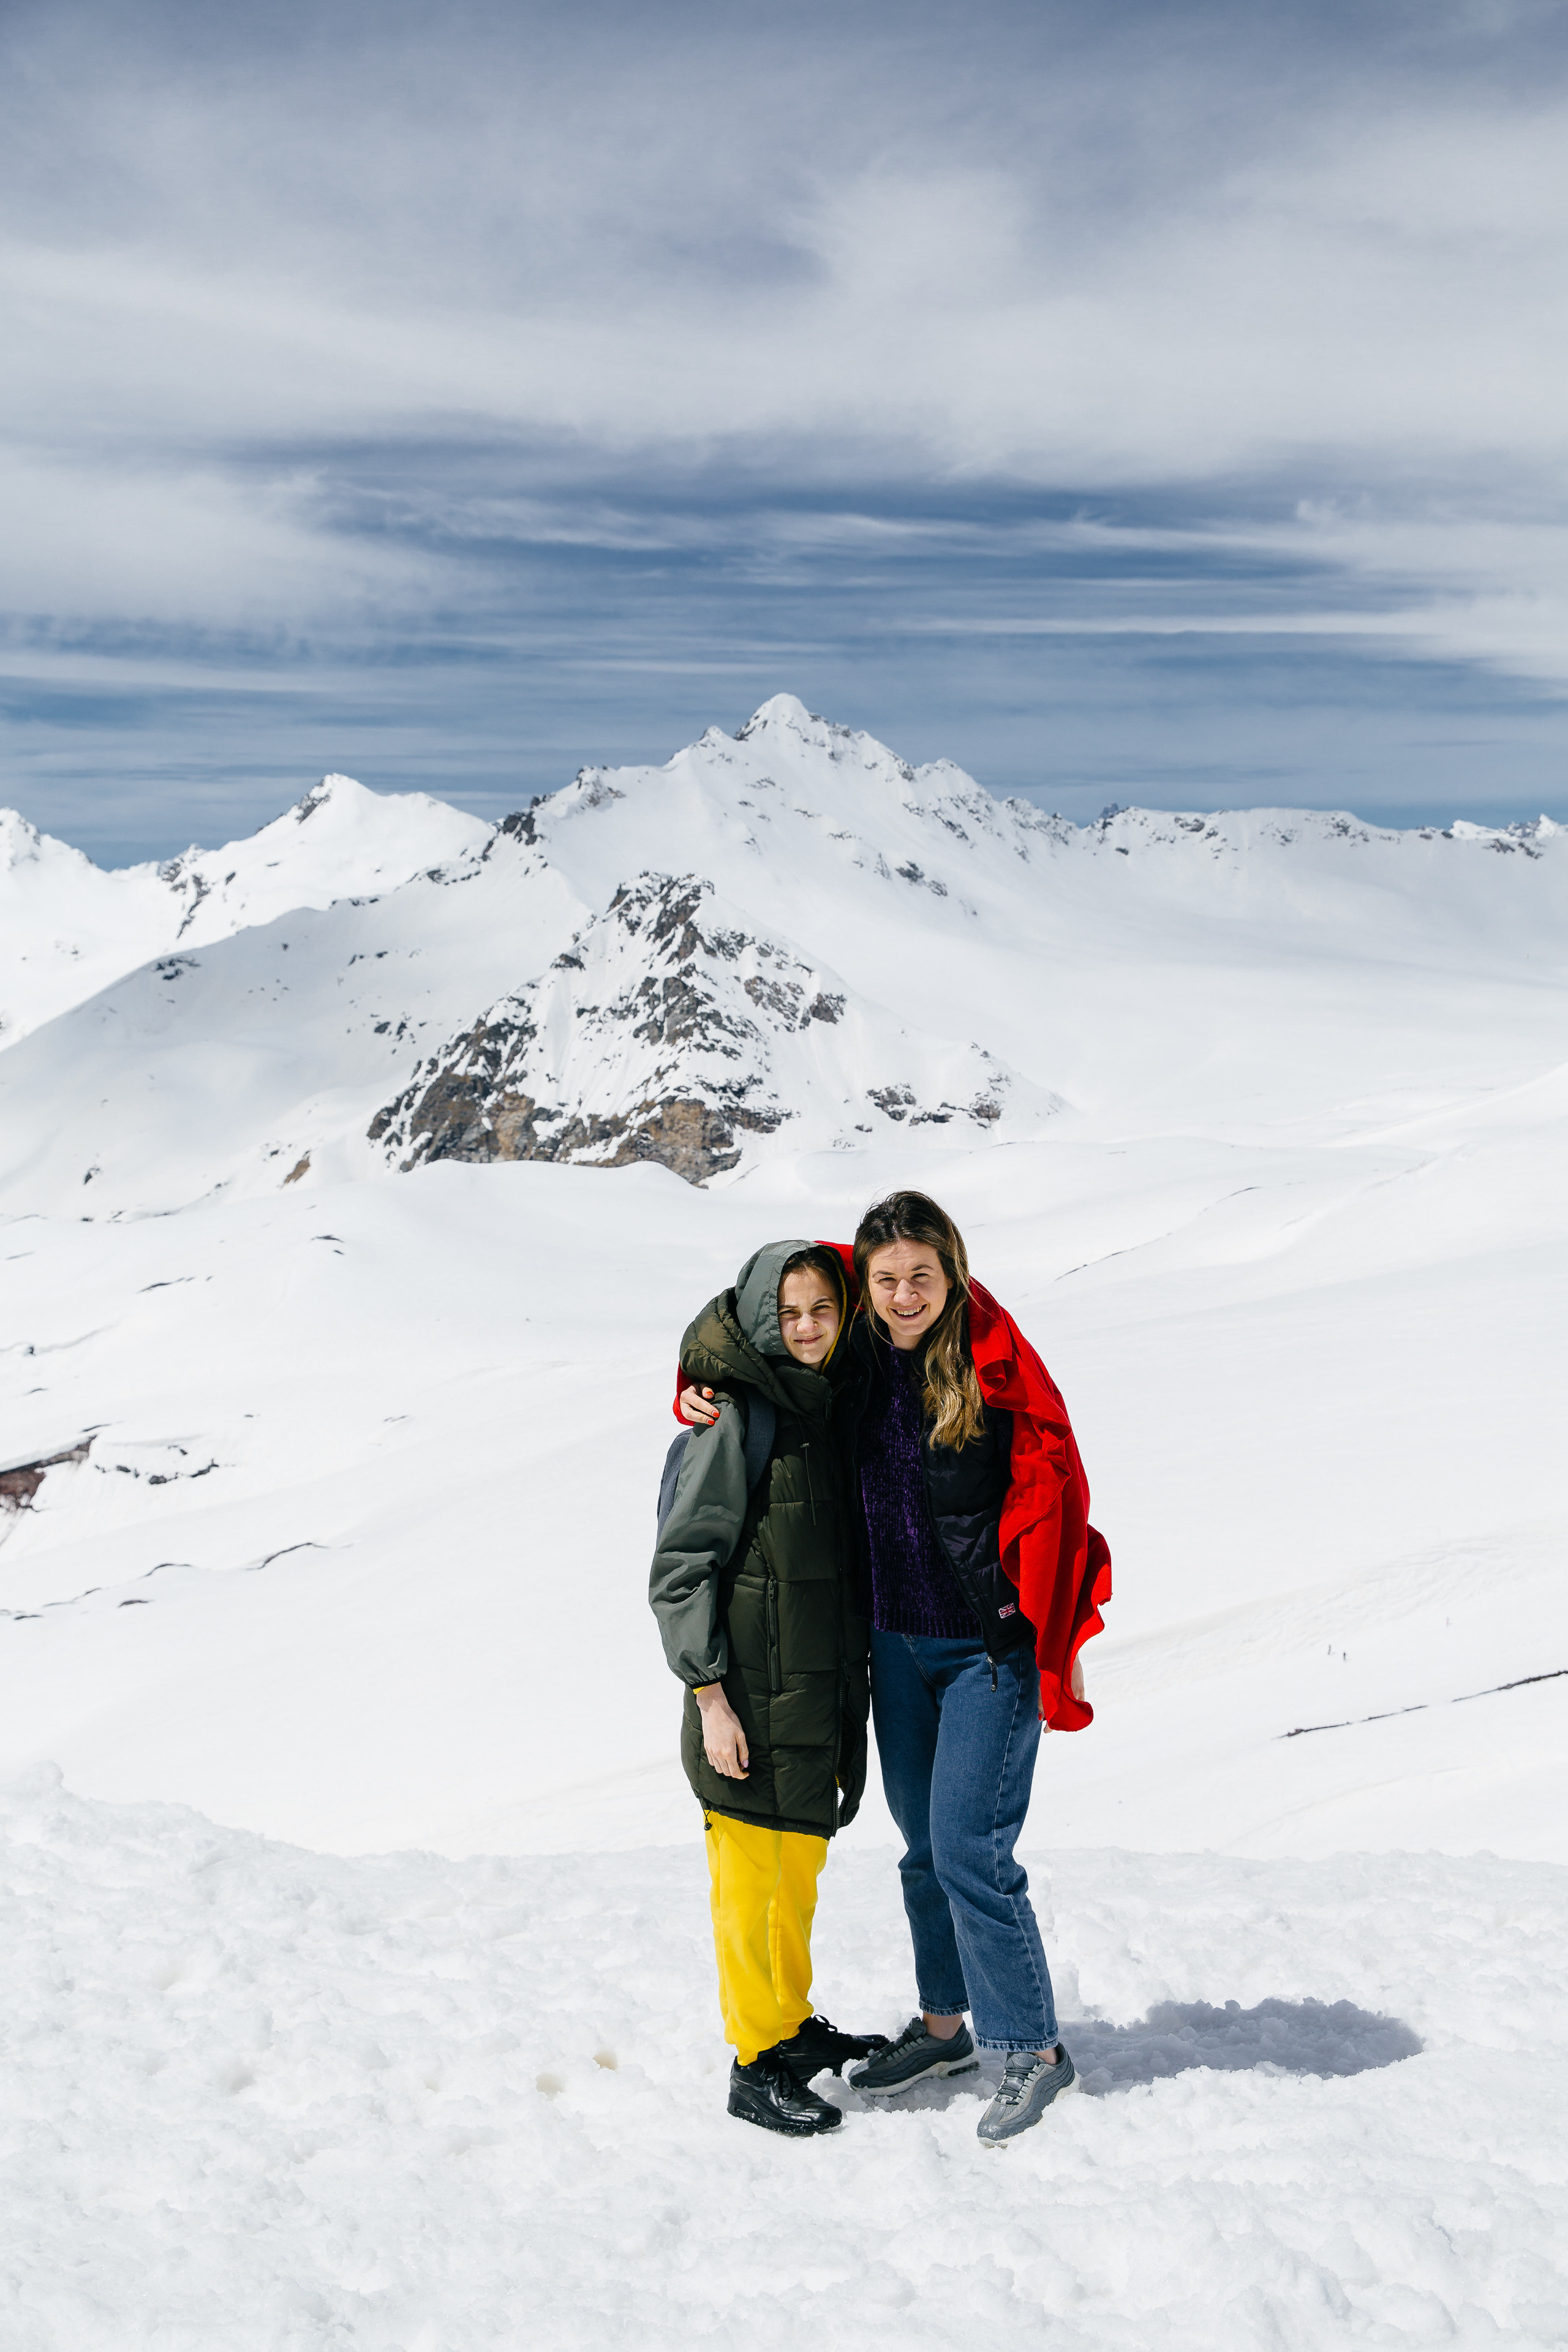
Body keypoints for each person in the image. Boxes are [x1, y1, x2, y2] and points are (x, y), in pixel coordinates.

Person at [679, 1191, 1110, 2146]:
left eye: (923, 1275)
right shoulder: (859, 1356)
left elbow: (1061, 1494)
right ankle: (946, 2028)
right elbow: (761, 1305)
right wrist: (698, 1377)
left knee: (969, 1853)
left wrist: (1060, 1640)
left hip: (984, 1652)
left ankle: (1034, 2049)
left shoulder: (993, 1363)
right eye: (886, 1279)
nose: (905, 1295)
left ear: (953, 1274)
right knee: (921, 1850)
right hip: (893, 1647)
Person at [649, 1240, 887, 2136]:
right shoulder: (734, 1420)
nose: (808, 1327)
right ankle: (754, 2063)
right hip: (745, 1702)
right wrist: (709, 1700)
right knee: (751, 1891)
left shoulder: (829, 1406)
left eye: (822, 1308)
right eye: (788, 1314)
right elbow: (682, 1568)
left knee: (796, 1877)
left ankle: (787, 2024)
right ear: (759, 1320)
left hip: (814, 1697)